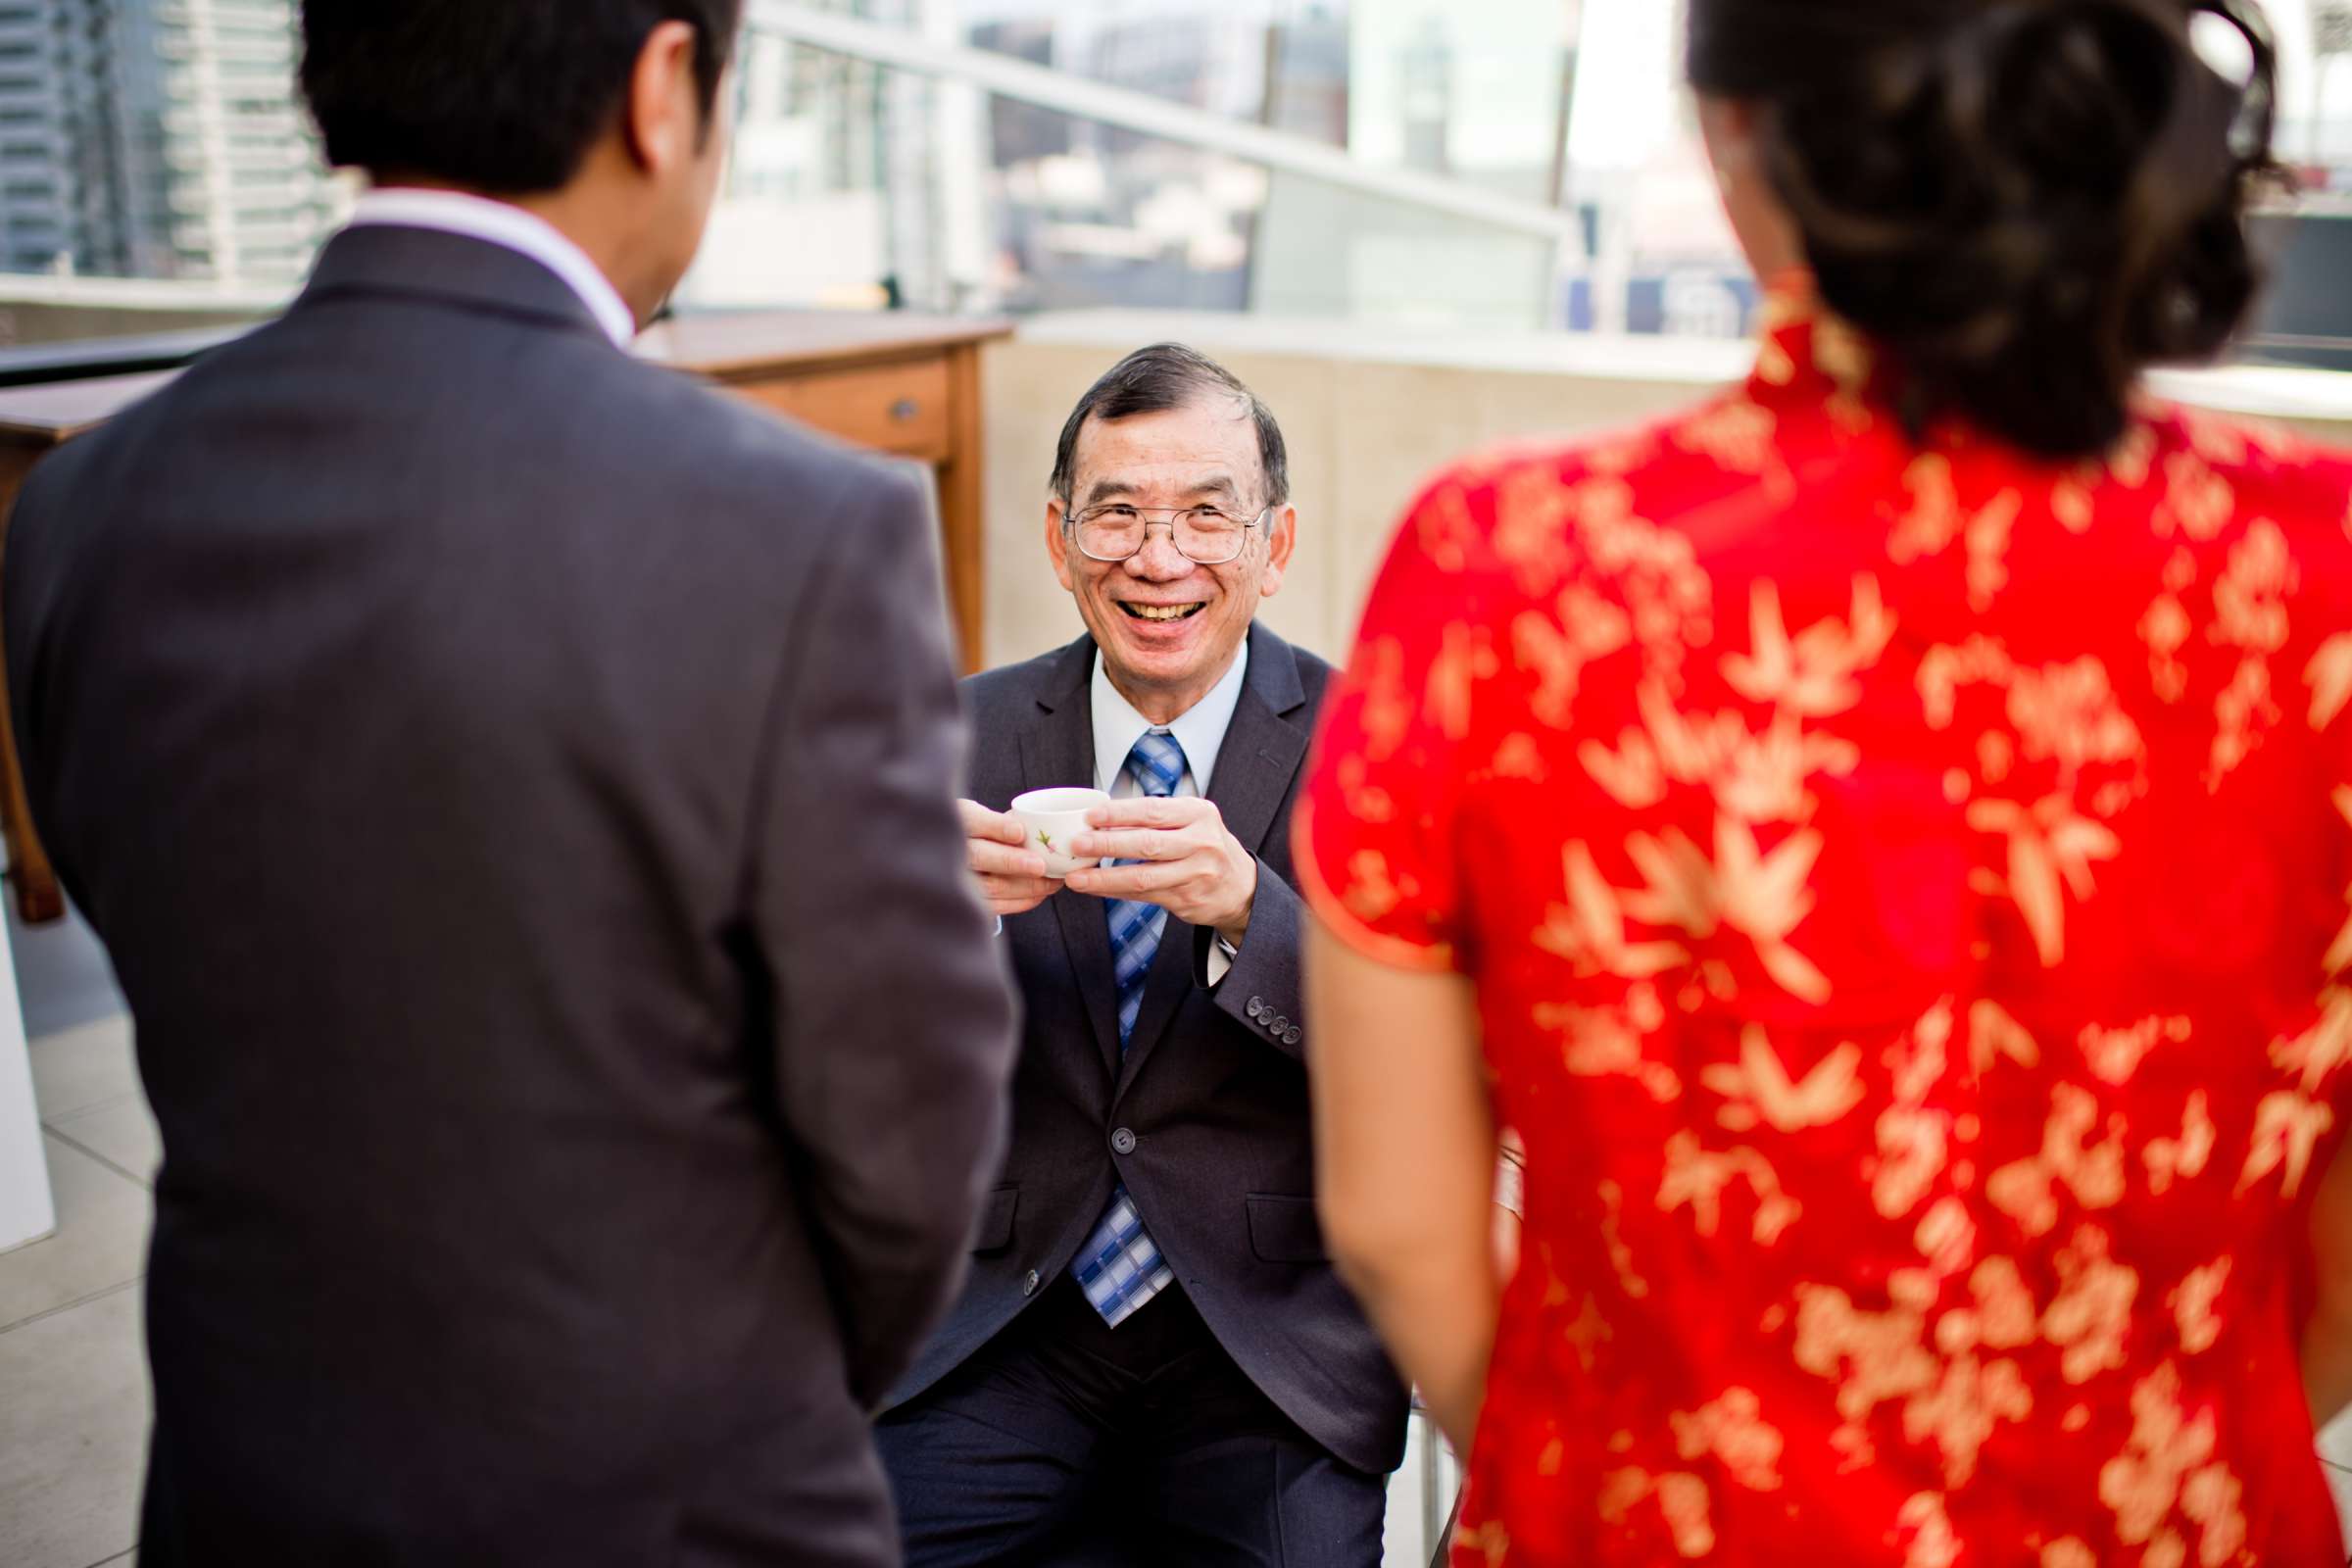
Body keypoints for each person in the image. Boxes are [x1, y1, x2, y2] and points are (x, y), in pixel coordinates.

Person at [1298, 1, 2352, 1563]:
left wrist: (1603, 1466)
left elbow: (1398, 1223)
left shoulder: (1515, 571)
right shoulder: (2318, 568)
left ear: (1732, 134)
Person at [2, 4, 1017, 1564]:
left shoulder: (79, 506)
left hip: (249, 1467)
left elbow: (128, 891)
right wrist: (766, 1396)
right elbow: (910, 1136)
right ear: (662, 88)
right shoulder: (799, 534)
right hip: (672, 1500)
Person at [875, 345, 1408, 1565]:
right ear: (1060, 541)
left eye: (1206, 516)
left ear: (1274, 547)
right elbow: (830, 1041)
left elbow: (1429, 1053)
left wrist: (1248, 911)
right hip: (1004, 1321)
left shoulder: (1372, 746)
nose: (1158, 559)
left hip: (1267, 1338)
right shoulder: (946, 734)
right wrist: (916, 922)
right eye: (1117, 513)